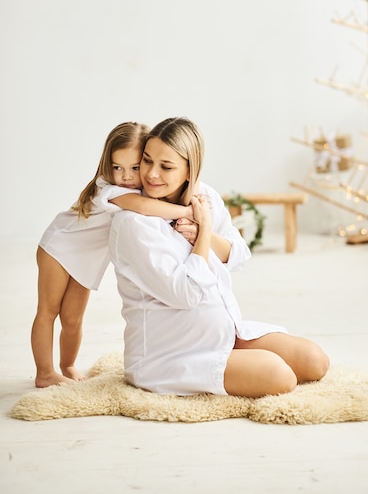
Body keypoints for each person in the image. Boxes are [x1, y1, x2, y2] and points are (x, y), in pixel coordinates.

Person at [109, 117, 330, 399]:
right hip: (170, 354)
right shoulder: (133, 224)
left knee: (314, 361)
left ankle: (236, 357)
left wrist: (206, 230)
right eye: (147, 161)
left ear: (191, 171)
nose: (151, 174)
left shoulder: (205, 197)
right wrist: (201, 238)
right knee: (280, 376)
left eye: (166, 166)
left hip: (224, 334)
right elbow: (186, 294)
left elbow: (238, 255)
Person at [31, 121, 195, 388]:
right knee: (48, 311)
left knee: (72, 319)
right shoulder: (109, 189)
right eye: (118, 167)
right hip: (60, 248)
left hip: (85, 260)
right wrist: (188, 212)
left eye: (134, 167)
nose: (126, 176)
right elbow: (142, 207)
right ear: (108, 166)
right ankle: (44, 372)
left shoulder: (142, 188)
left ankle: (67, 365)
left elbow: (153, 204)